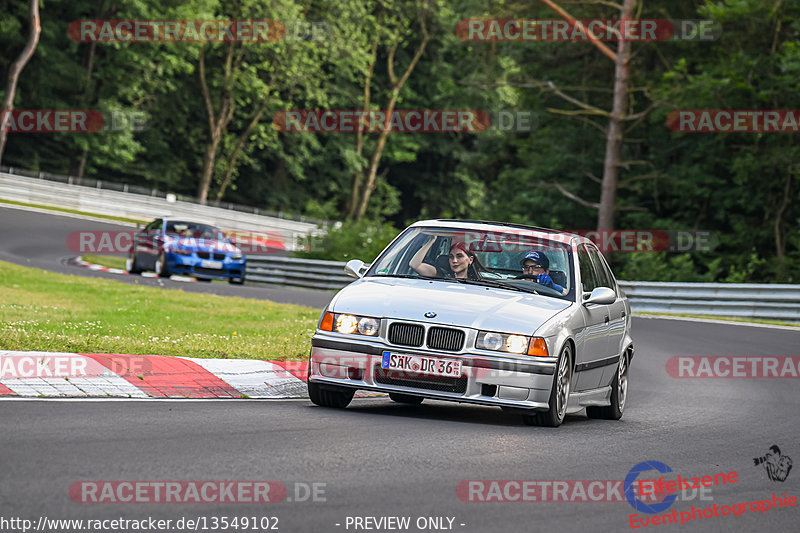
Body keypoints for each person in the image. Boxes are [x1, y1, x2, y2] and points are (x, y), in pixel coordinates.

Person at [409, 236, 487, 280]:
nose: (454, 260)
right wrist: (431, 241)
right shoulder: (440, 275)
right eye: (451, 257)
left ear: (470, 260)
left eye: (459, 256)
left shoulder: (478, 282)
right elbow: (414, 265)